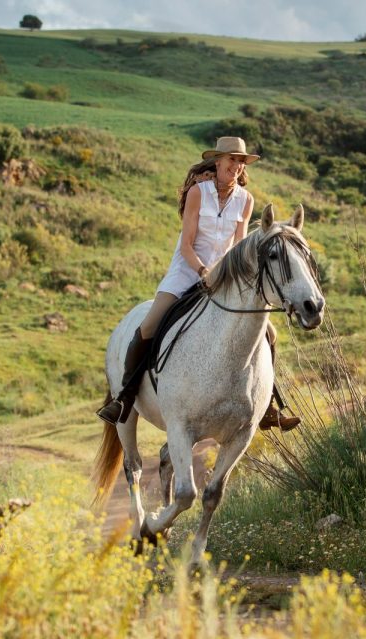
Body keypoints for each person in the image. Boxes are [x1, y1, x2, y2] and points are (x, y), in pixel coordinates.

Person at [97, 136, 300, 431]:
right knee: (150, 325)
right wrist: (203, 270)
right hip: (187, 271)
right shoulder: (198, 193)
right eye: (232, 159)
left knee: (269, 332)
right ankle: (124, 397)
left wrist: (231, 274)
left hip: (224, 275)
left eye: (241, 161)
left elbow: (240, 245)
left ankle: (269, 405)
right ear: (217, 162)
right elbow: (187, 245)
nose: (237, 166)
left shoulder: (246, 200)